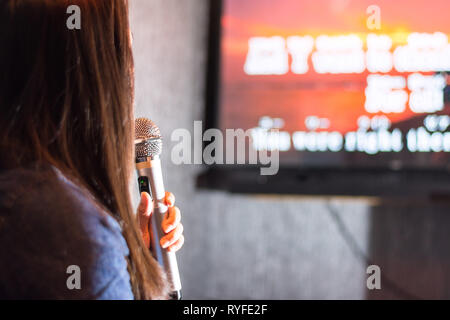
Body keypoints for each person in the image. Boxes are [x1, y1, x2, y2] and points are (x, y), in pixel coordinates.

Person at [0, 0, 184, 299]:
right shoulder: (63, 226)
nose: (131, 47)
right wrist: (102, 254)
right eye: (123, 39)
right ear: (92, 66)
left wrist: (132, 261)